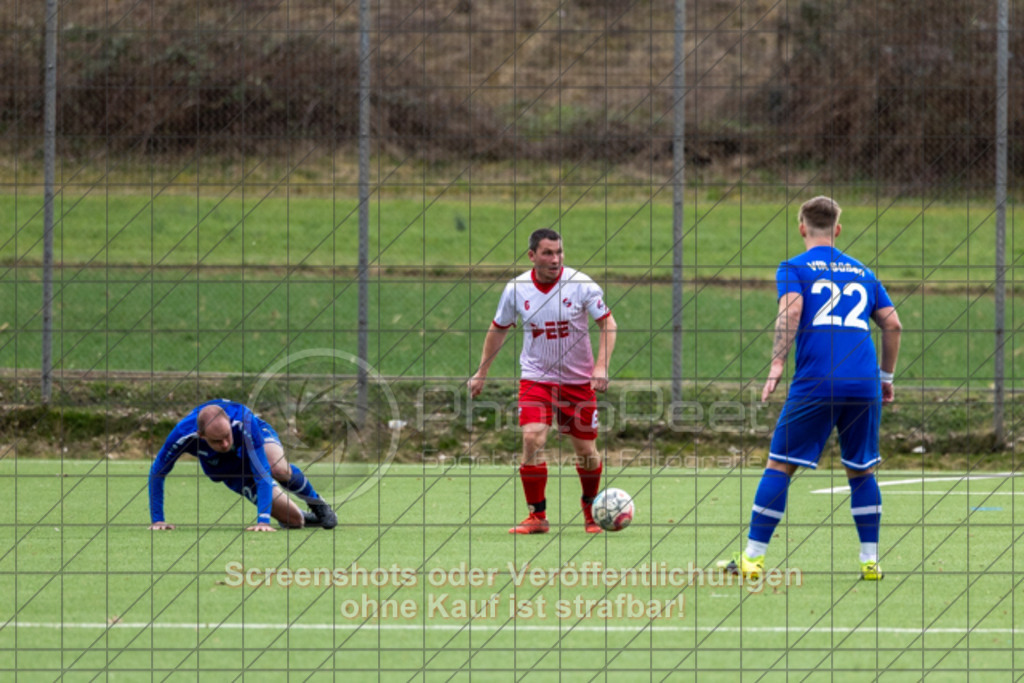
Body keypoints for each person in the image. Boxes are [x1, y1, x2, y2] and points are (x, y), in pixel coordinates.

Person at [727, 196, 902, 580]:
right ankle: (870, 562)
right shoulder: (862, 272)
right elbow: (893, 325)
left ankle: (752, 559)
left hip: (817, 381)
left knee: (780, 465)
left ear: (802, 227)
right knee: (862, 471)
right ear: (837, 229)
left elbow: (791, 310)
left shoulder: (793, 267)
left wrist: (776, 363)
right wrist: (885, 379)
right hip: (863, 382)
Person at [468, 228, 617, 534]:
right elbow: (498, 329)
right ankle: (537, 516)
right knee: (531, 439)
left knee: (586, 452)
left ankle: (591, 513)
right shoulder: (517, 289)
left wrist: (601, 366)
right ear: (532, 256)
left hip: (578, 383)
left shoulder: (580, 284)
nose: (555, 259)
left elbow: (608, 324)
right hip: (537, 379)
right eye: (548, 253)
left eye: (559, 252)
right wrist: (481, 371)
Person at [148, 399, 337, 532]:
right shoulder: (182, 435)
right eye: (217, 441)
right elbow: (157, 472)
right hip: (226, 468)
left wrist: (263, 521)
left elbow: (261, 471)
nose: (224, 444)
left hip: (254, 440)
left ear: (230, 424)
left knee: (277, 467)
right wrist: (158, 520)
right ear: (201, 435)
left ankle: (317, 503)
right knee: (295, 522)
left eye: (227, 437)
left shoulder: (243, 421)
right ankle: (302, 515)